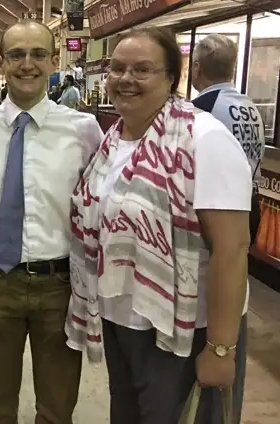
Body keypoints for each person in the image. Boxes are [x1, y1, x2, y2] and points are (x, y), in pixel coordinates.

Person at [66, 27, 250, 424]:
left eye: (142, 69)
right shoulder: (113, 140)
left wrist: (221, 348)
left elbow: (231, 249)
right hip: (122, 321)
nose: (125, 79)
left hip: (182, 332)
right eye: (117, 68)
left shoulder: (204, 139)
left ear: (172, 78)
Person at [0, 20, 102, 424]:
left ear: (54, 60)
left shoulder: (83, 130)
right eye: (16, 54)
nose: (27, 64)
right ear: (2, 62)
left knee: (57, 407)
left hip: (59, 286)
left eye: (38, 54)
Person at [191, 34, 265, 244]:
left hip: (217, 211)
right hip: (250, 204)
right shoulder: (250, 107)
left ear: (197, 68)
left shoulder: (200, 108)